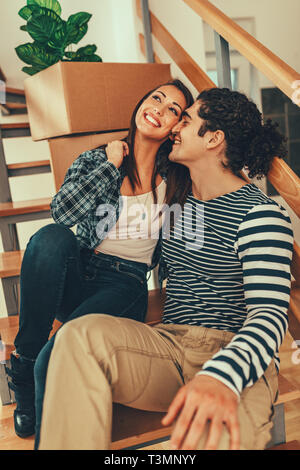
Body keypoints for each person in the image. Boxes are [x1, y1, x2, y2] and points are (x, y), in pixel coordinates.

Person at [37, 87, 293, 450]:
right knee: (79, 334)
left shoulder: (260, 215)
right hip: (168, 346)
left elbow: (269, 315)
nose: (174, 127)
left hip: (236, 359)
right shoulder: (175, 200)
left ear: (214, 139)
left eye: (185, 120)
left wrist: (221, 375)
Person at [5, 79, 194, 439]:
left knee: (59, 351)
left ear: (176, 129)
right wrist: (111, 166)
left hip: (125, 285)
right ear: (141, 103)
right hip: (78, 269)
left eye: (173, 109)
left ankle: (48, 419)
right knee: (50, 237)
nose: (160, 108)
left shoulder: (177, 179)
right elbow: (63, 213)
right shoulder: (97, 158)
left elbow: (184, 245)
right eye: (156, 98)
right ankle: (25, 370)